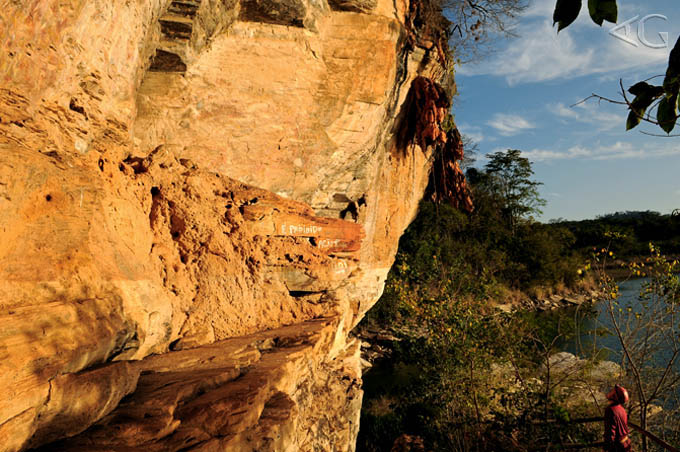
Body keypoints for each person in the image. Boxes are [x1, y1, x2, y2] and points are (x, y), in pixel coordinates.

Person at [604, 384, 632, 452]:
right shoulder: (622, 410)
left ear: (614, 396)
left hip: (617, 446)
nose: (610, 391)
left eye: (612, 391)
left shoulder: (610, 410)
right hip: (626, 443)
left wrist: (606, 448)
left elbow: (610, 432)